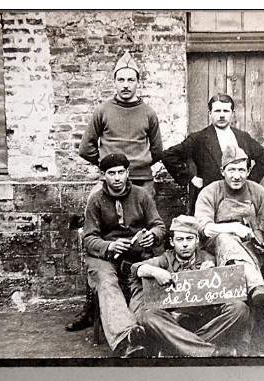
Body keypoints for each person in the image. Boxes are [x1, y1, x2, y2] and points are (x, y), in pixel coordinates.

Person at [67, 50, 163, 332]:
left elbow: (157, 150)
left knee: (150, 236)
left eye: (130, 80)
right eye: (120, 79)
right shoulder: (103, 111)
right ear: (114, 82)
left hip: (142, 182)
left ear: (137, 83)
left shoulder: (148, 113)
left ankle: (149, 304)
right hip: (107, 184)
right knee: (93, 236)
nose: (125, 84)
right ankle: (90, 307)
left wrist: (133, 170)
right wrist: (110, 168)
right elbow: (85, 147)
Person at [82, 152, 166, 357]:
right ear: (104, 176)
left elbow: (159, 225)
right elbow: (89, 239)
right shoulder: (96, 200)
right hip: (105, 258)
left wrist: (152, 236)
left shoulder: (141, 195)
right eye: (112, 173)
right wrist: (109, 246)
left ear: (128, 173)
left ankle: (142, 331)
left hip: (136, 255)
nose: (117, 178)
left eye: (121, 172)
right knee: (107, 281)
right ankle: (125, 335)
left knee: (144, 280)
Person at [133, 216, 251, 357]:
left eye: (189, 239)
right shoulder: (166, 259)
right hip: (174, 322)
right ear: (171, 242)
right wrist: (154, 271)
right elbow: (135, 268)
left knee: (240, 308)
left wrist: (212, 273)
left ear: (197, 241)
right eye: (180, 239)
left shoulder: (208, 258)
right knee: (148, 316)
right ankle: (211, 352)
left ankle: (177, 348)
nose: (184, 244)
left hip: (203, 320)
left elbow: (227, 288)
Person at [194, 144, 264, 313]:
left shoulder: (258, 192)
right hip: (216, 247)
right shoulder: (210, 192)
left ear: (248, 172)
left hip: (251, 247)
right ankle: (256, 287)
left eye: (241, 170)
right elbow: (204, 228)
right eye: (231, 170)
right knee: (226, 239)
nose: (237, 176)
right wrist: (233, 228)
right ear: (222, 171)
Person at [162, 93, 264, 214]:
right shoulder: (199, 138)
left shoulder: (242, 137)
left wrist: (249, 182)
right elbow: (169, 155)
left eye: (226, 111)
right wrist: (191, 178)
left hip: (240, 200)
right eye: (217, 111)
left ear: (232, 113)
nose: (222, 115)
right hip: (211, 200)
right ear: (210, 113)